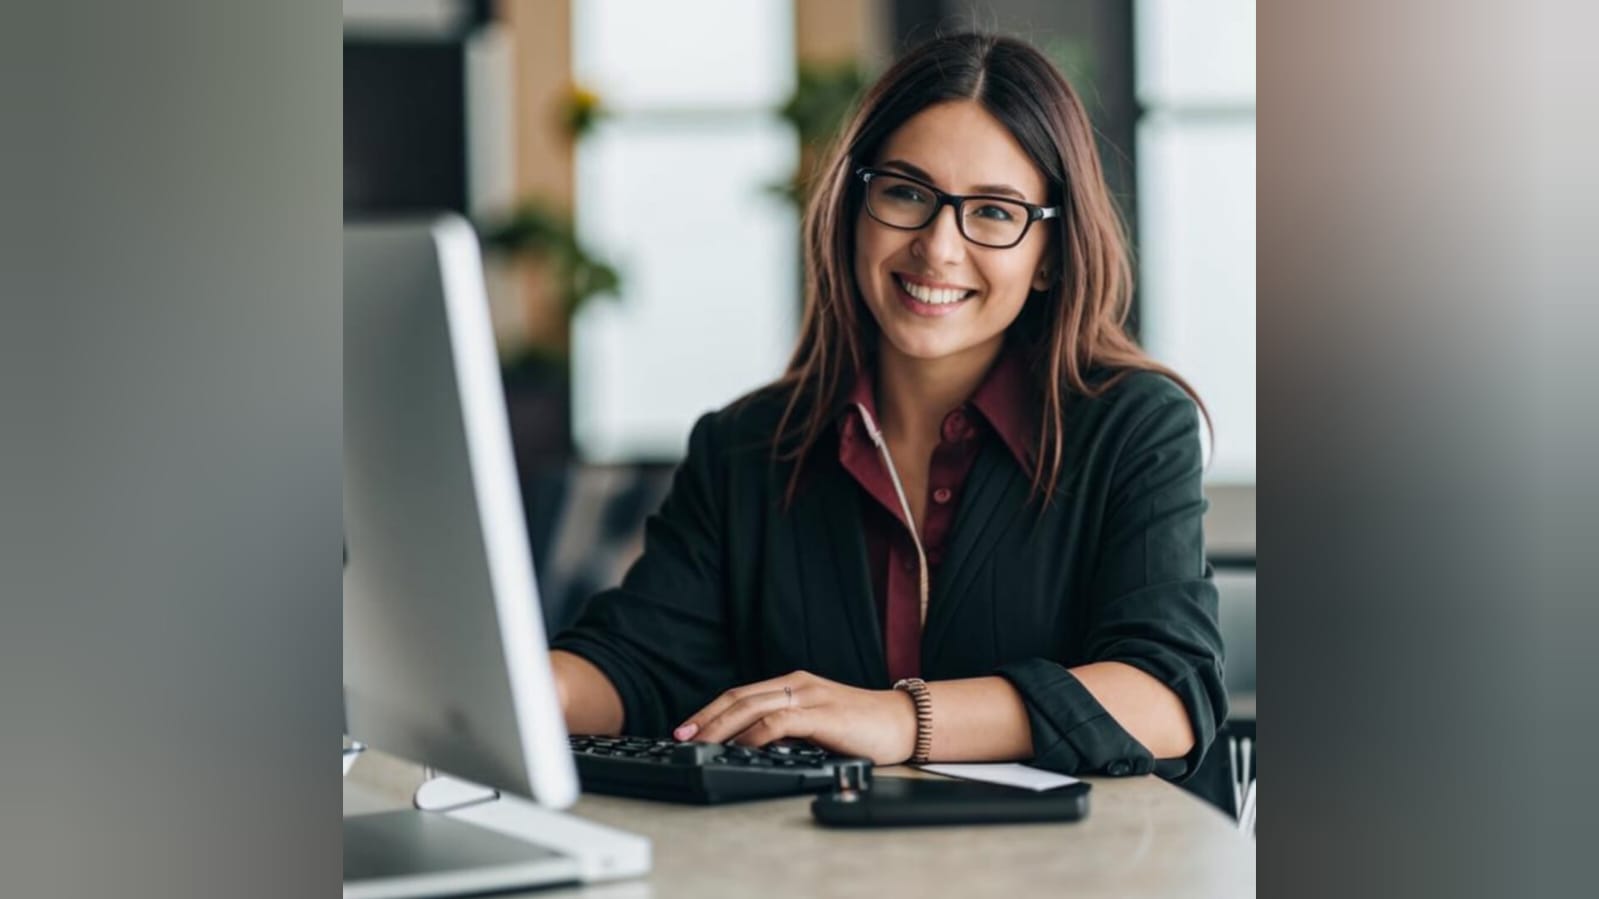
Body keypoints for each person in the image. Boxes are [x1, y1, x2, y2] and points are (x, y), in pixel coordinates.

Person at [549, 32, 1226, 779]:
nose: (937, 248)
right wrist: (509, 689)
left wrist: (900, 717)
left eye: (995, 213)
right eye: (905, 193)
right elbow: (635, 664)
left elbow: (1164, 694)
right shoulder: (744, 446)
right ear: (854, 210)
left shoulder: (1132, 425)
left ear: (1050, 257)